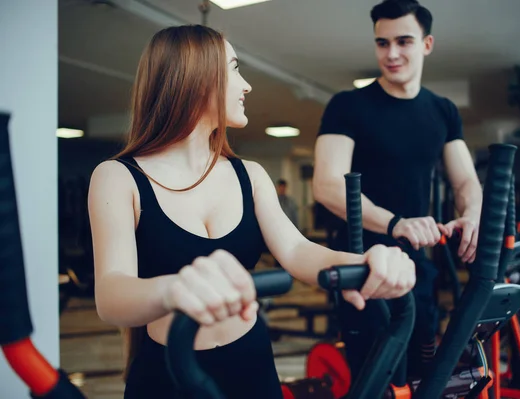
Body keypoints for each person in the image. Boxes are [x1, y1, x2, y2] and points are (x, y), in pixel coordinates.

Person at [87, 24, 417, 399]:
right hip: (167, 373)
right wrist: (176, 289)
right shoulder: (118, 177)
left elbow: (297, 250)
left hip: (251, 363)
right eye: (234, 68)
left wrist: (365, 261)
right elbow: (111, 294)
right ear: (196, 78)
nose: (246, 86)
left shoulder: (250, 175)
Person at [312, 0, 482, 380]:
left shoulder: (442, 111)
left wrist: (470, 214)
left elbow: (466, 181)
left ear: (427, 44)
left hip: (418, 263)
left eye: (403, 41)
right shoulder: (348, 106)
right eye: (382, 43)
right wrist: (395, 223)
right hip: (362, 264)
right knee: (377, 377)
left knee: (425, 372)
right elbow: (326, 184)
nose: (391, 54)